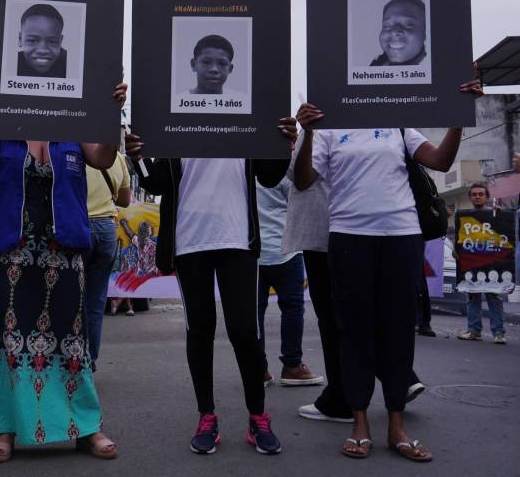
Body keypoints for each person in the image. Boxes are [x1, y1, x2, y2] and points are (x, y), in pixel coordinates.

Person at [294, 78, 482, 462]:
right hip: (348, 238)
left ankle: (397, 426)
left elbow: (441, 161)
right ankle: (359, 423)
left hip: (402, 236)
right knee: (354, 330)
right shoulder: (329, 126)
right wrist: (307, 134)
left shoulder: (398, 124)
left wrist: (459, 117)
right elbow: (303, 180)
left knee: (398, 329)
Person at [0, 73, 124, 463]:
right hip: (10, 249)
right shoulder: (4, 120)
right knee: (6, 338)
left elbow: (103, 157)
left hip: (62, 252)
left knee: (70, 339)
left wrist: (110, 113)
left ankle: (85, 427)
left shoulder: (76, 122)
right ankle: (5, 428)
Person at [124, 115, 297, 457]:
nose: (212, 67)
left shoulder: (247, 117)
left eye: (222, 60)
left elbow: (270, 173)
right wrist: (138, 156)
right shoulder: (177, 119)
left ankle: (258, 417)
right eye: (205, 60)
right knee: (200, 330)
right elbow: (157, 183)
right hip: (190, 242)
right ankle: (207, 416)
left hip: (238, 241)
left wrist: (283, 143)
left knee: (246, 333)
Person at [284, 132, 426, 425]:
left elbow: (299, 177)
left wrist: (296, 143)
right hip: (361, 228)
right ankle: (397, 379)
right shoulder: (352, 125)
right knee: (371, 315)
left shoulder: (329, 128)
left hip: (334, 230)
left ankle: (344, 399)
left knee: (340, 320)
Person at [256, 177, 323, 387]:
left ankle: (258, 369)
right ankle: (292, 366)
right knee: (293, 308)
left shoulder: (243, 167)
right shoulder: (285, 169)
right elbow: (302, 206)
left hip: (251, 251)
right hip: (286, 249)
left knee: (254, 312)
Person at [83, 152, 131, 366]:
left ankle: (68, 359)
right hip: (106, 231)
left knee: (67, 297)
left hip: (78, 227)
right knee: (95, 301)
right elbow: (125, 200)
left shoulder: (73, 150)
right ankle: (90, 358)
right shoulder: (116, 156)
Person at [457, 183, 507, 344]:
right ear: (470, 197)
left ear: (486, 196)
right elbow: (460, 240)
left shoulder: (496, 214)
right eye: (474, 194)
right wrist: (456, 250)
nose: (477, 196)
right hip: (472, 264)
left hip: (493, 263)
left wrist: (501, 215)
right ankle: (474, 331)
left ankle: (499, 333)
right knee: (472, 297)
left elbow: (508, 234)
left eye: (480, 194)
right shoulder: (464, 217)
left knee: (494, 297)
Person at [179, 34, 246, 97]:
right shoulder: (180, 101)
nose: (214, 69)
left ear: (230, 69)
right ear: (193, 65)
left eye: (222, 63)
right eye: (206, 62)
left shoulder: (238, 101)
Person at [370, 0, 427, 66]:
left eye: (408, 24)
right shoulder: (376, 64)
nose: (394, 32)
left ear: (425, 31)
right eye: (387, 26)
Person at [16, 3, 67, 78]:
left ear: (60, 41)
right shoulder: (12, 64)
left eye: (52, 42)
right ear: (20, 39)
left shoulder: (71, 64)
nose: (42, 50)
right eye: (32, 41)